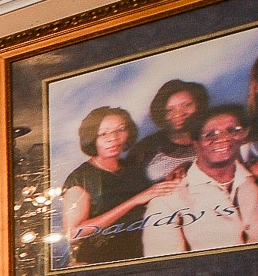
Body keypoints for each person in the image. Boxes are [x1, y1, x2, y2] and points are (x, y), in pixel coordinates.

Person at [57, 107, 177, 265]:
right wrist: (134, 201)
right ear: (91, 137)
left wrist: (169, 181)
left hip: (146, 249)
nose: (113, 138)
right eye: (103, 133)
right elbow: (73, 233)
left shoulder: (133, 167)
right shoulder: (81, 179)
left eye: (121, 130)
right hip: (104, 259)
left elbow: (149, 198)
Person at [140, 105, 258, 255]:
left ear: (243, 136)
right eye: (211, 134)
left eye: (233, 130)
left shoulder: (255, 181)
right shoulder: (167, 200)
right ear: (195, 142)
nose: (224, 138)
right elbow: (163, 269)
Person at [135, 79, 209, 182]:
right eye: (170, 110)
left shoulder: (214, 136)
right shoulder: (146, 148)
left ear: (199, 105)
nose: (179, 114)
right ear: (162, 114)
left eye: (187, 105)